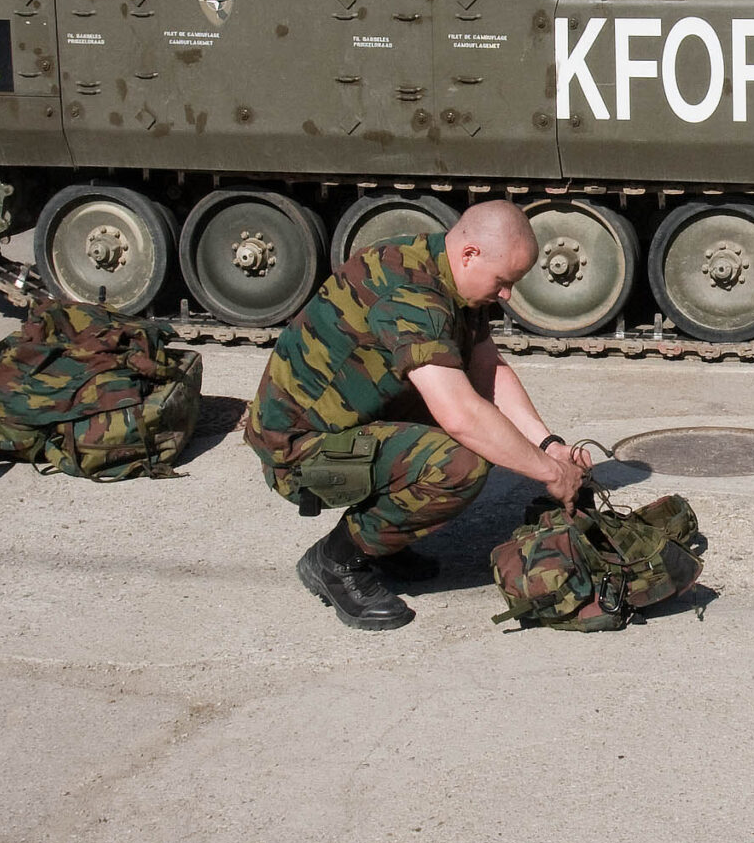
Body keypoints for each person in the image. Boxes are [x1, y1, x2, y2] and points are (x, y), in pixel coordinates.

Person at [243, 201, 589, 631]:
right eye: (503, 282)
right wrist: (550, 475)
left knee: (473, 426)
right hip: (298, 452)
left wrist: (548, 445)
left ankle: (386, 537)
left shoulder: (443, 268)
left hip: (353, 421)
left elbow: (489, 371)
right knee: (460, 464)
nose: (506, 295)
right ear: (470, 254)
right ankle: (336, 562)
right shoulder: (411, 294)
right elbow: (462, 415)